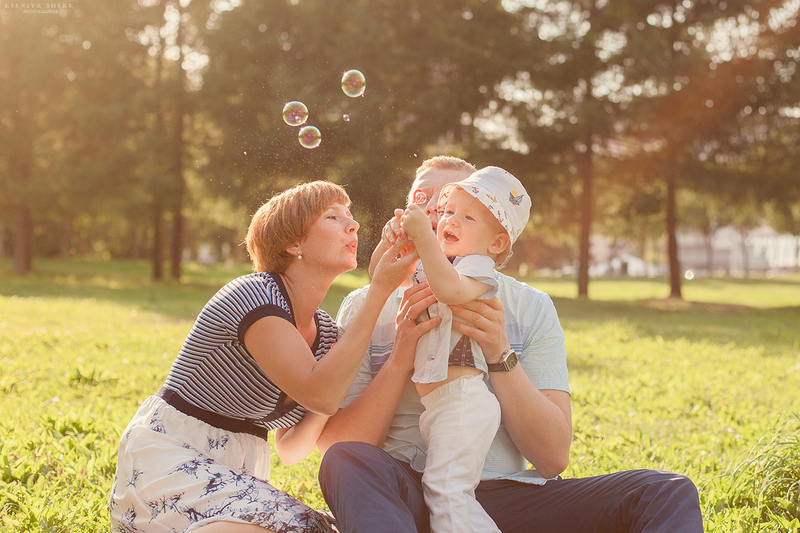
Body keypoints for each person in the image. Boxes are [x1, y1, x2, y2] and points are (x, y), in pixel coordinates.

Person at [317, 156, 704, 533]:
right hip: (405, 496)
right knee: (346, 459)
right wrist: (400, 359)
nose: (440, 211)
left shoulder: (528, 306)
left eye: (457, 204)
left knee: (664, 492)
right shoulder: (367, 304)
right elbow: (340, 445)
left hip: (505, 498)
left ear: (487, 225)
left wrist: (499, 353)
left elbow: (552, 458)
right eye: (424, 199)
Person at [108, 181, 417, 533]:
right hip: (171, 460)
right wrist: (379, 289)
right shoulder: (256, 295)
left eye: (350, 216)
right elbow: (321, 393)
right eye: (333, 216)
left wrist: (389, 359)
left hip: (235, 474)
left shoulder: (326, 333)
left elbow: (291, 448)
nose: (354, 225)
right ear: (293, 243)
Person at [398, 166, 532, 532]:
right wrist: (394, 242)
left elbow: (451, 291)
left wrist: (425, 240)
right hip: (440, 405)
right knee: (445, 491)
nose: (449, 222)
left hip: (463, 402)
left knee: (447, 491)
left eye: (467, 217)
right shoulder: (440, 264)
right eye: (448, 212)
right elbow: (383, 272)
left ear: (497, 244)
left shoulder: (477, 269)